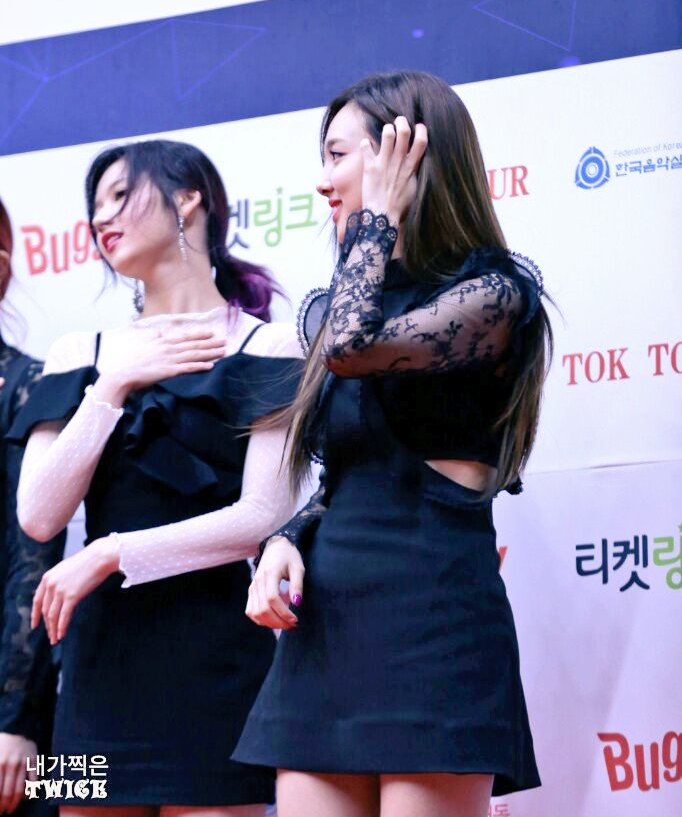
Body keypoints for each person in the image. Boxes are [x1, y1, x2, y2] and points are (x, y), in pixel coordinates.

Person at [233, 71, 553, 817]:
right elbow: (350, 474)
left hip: (432, 619)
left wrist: (376, 220)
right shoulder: (336, 307)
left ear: (404, 157)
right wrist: (287, 536)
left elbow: (354, 349)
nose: (323, 182)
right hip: (327, 623)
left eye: (339, 155)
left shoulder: (492, 295)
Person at [7, 140, 304, 816]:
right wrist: (112, 386)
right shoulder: (79, 352)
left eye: (120, 194)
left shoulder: (269, 345)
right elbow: (38, 515)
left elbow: (262, 516)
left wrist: (111, 553)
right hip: (94, 670)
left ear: (188, 199)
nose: (101, 217)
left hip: (219, 661)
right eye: (95, 206)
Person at [0, 198, 65, 817]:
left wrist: (12, 720)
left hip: (13, 717)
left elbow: (33, 563)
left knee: (75, 785)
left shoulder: (31, 386)